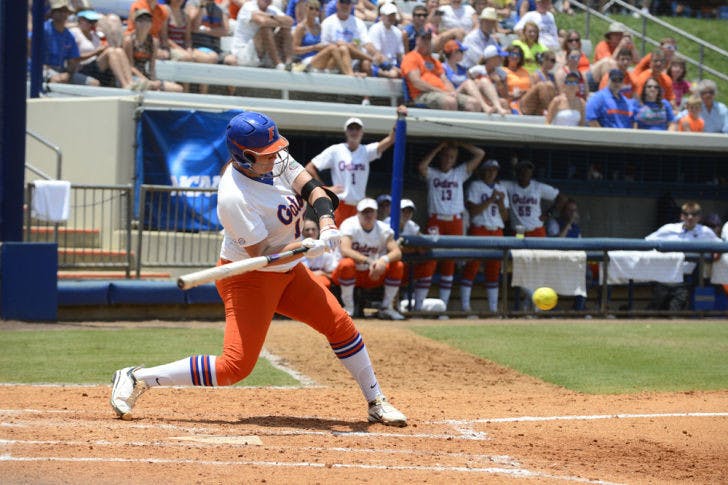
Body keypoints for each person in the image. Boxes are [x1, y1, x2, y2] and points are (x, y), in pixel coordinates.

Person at [110, 111, 407, 427]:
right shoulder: (234, 197)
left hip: (290, 271)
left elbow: (312, 188)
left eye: (276, 149)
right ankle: (138, 377)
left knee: (341, 325)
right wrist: (308, 246)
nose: (276, 157)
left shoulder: (274, 157)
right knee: (234, 367)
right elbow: (264, 253)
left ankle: (376, 401)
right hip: (249, 277)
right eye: (265, 154)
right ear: (243, 156)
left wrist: (325, 222)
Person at [418, 141, 485, 314]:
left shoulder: (459, 173)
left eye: (452, 157)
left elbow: (480, 154)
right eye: (446, 156)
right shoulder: (433, 173)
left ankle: (443, 309)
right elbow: (422, 166)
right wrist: (439, 147)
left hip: (455, 221)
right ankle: (418, 307)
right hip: (436, 221)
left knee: (449, 263)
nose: (448, 159)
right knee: (430, 262)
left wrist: (461, 144)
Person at [305, 110, 401, 226]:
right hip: (340, 204)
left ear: (362, 132)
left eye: (357, 129)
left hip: (360, 206)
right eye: (351, 128)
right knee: (336, 239)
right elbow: (309, 167)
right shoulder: (336, 150)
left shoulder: (366, 151)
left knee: (357, 242)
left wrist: (399, 118)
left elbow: (390, 139)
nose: (354, 131)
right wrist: (325, 188)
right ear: (346, 131)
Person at [502, 159, 564, 311]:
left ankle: (529, 304)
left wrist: (548, 213)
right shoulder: (509, 186)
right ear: (517, 173)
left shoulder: (537, 186)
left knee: (538, 268)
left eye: (528, 171)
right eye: (522, 171)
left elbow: (561, 197)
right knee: (520, 268)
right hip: (519, 233)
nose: (525, 174)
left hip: (537, 230)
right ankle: (535, 300)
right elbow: (495, 183)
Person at [332, 198, 406, 320]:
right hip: (351, 273)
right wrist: (370, 261)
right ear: (358, 213)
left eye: (371, 211)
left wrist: (383, 260)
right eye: (365, 212)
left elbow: (397, 252)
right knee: (346, 264)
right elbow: (345, 250)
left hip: (373, 273)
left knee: (398, 266)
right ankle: (349, 308)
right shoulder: (349, 224)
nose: (368, 215)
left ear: (376, 213)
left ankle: (387, 308)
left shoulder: (383, 228)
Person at [645, 201, 721, 311]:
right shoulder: (668, 229)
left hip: (685, 278)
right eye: (686, 214)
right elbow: (647, 242)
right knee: (657, 307)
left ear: (699, 217)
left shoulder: (705, 232)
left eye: (694, 214)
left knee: (675, 310)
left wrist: (715, 256)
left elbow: (720, 246)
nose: (690, 217)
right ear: (681, 216)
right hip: (664, 276)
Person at [460, 159, 509, 315]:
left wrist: (500, 201)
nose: (491, 173)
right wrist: (490, 199)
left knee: (494, 271)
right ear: (482, 171)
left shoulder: (501, 188)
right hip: (479, 228)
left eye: (494, 170)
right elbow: (473, 211)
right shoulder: (475, 186)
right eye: (488, 170)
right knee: (472, 267)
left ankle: (493, 309)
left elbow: (506, 217)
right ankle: (465, 307)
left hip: (497, 230)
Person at [401, 29, 481, 111]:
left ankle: (465, 124)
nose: (427, 41)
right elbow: (416, 82)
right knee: (450, 101)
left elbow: (445, 80)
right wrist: (440, 91)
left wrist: (453, 93)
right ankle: (451, 124)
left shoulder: (434, 61)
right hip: (422, 94)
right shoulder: (410, 57)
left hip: (441, 93)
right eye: (423, 38)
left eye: (429, 38)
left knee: (474, 103)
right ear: (417, 40)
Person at [384, 199, 440, 313]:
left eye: (409, 211)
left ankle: (418, 308)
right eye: (403, 210)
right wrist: (413, 249)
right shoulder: (386, 223)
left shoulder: (412, 226)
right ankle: (390, 307)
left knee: (430, 263)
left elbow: (424, 248)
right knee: (397, 265)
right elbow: (392, 249)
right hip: (387, 268)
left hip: (407, 267)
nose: (406, 214)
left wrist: (413, 248)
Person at [70, 7, 136, 89]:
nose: (92, 24)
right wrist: (96, 51)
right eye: (89, 21)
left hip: (95, 66)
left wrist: (101, 50)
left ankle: (130, 82)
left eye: (94, 22)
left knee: (119, 51)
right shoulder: (74, 33)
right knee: (110, 51)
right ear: (80, 21)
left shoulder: (95, 35)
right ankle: (124, 84)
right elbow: (74, 57)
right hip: (81, 68)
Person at [123, 9, 184, 92]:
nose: (145, 23)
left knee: (178, 89)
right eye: (141, 20)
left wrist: (153, 81)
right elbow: (130, 66)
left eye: (148, 20)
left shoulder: (153, 42)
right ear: (135, 23)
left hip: (145, 76)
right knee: (148, 85)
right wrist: (147, 81)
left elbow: (152, 66)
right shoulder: (129, 41)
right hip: (132, 77)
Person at [43, 0, 98, 86]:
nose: (63, 14)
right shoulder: (43, 30)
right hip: (43, 68)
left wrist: (68, 74)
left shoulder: (69, 35)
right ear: (52, 13)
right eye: (59, 11)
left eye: (65, 11)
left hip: (61, 70)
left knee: (94, 83)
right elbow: (32, 53)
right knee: (57, 79)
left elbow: (73, 61)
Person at [546, 197, 588, 310]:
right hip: (556, 262)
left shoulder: (576, 228)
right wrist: (568, 224)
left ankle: (579, 309)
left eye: (574, 211)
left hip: (571, 263)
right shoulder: (553, 222)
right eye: (570, 210)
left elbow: (581, 246)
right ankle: (551, 308)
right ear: (563, 211)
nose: (573, 213)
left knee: (587, 273)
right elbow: (557, 243)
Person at [443, 39, 505, 115]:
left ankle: (498, 108)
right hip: (454, 93)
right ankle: (485, 107)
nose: (463, 54)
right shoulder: (443, 68)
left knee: (483, 81)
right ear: (454, 52)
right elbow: (447, 86)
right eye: (461, 52)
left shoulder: (462, 68)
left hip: (465, 94)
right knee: (468, 82)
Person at [231, 0, 294, 70]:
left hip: (264, 51)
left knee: (285, 29)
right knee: (265, 28)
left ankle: (289, 62)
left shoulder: (273, 9)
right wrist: (278, 20)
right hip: (244, 53)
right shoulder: (248, 6)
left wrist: (268, 16)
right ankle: (278, 64)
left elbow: (290, 21)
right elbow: (262, 21)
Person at [293, 0, 351, 74]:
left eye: (317, 9)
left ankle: (346, 72)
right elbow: (295, 49)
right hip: (306, 60)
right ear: (306, 8)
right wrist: (313, 47)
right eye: (311, 8)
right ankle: (347, 73)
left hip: (319, 57)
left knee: (340, 49)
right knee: (332, 48)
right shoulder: (301, 27)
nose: (314, 11)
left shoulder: (318, 27)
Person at [320, 0, 375, 76]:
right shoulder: (327, 22)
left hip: (354, 59)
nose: (345, 5)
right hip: (334, 59)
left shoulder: (358, 23)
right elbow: (324, 45)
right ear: (337, 4)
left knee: (366, 63)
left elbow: (364, 42)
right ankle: (350, 73)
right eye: (342, 2)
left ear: (351, 5)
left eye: (348, 3)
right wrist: (341, 45)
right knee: (343, 48)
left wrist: (376, 53)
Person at [367, 2, 405, 79]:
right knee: (394, 74)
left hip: (392, 65)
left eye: (393, 15)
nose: (391, 17)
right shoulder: (375, 29)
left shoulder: (397, 32)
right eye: (389, 15)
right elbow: (377, 55)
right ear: (382, 15)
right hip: (378, 64)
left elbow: (400, 55)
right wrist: (394, 68)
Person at [301, 218, 340, 290]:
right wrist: (313, 275)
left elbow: (333, 276)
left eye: (313, 229)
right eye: (307, 229)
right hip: (301, 283)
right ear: (302, 232)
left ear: (318, 231)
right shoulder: (297, 250)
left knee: (323, 281)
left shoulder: (326, 250)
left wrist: (323, 273)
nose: (310, 232)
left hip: (320, 284)